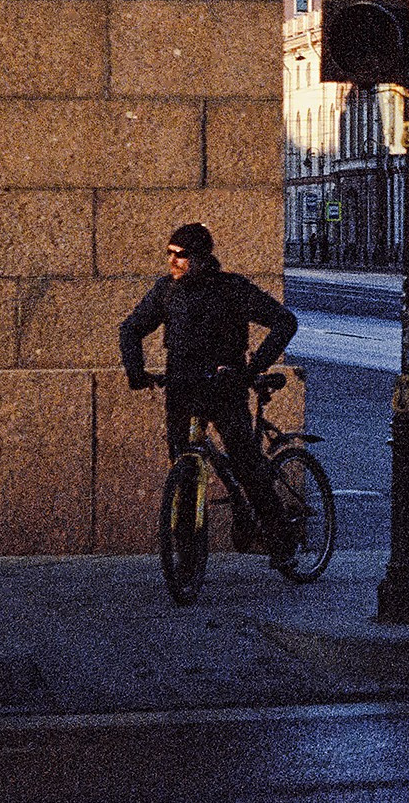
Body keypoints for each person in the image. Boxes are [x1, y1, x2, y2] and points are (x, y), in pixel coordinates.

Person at [119, 223, 300, 559]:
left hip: (225, 389)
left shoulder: (231, 289)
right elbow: (131, 328)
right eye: (169, 254)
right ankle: (187, 558)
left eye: (181, 255)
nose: (172, 262)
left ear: (201, 258)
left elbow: (285, 321)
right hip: (182, 388)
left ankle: (281, 536)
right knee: (183, 472)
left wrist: (251, 370)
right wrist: (136, 372)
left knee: (246, 463)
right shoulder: (166, 291)